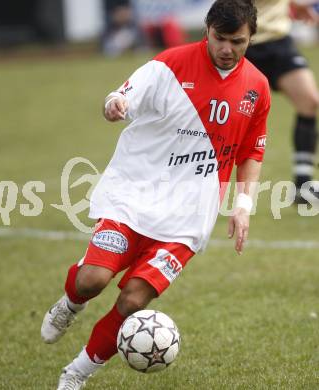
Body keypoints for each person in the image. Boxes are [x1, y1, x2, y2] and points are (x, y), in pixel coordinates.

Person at [41, 1, 271, 388]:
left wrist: (243, 206)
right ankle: (70, 304)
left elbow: (253, 151)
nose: (228, 49)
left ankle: (75, 374)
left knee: (133, 300)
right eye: (220, 39)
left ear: (250, 38)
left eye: (238, 41)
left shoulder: (257, 87)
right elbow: (120, 97)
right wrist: (116, 105)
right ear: (207, 29)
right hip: (134, 196)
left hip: (188, 218)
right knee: (92, 280)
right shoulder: (170, 65)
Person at [245, 0, 319, 203]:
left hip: (278, 41)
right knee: (228, 113)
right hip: (242, 41)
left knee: (309, 100)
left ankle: (303, 186)